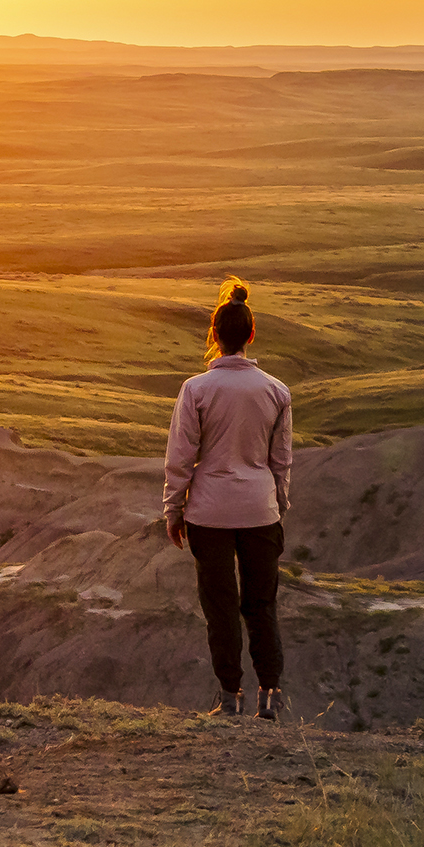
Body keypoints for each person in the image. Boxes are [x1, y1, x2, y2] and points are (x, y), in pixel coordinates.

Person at [163, 277, 295, 718]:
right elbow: (282, 461)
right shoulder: (276, 390)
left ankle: (229, 697)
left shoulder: (196, 389)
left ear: (214, 336)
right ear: (251, 334)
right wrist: (279, 507)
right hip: (261, 511)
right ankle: (271, 696)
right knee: (261, 605)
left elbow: (181, 457)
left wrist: (173, 508)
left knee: (220, 608)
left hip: (209, 513)